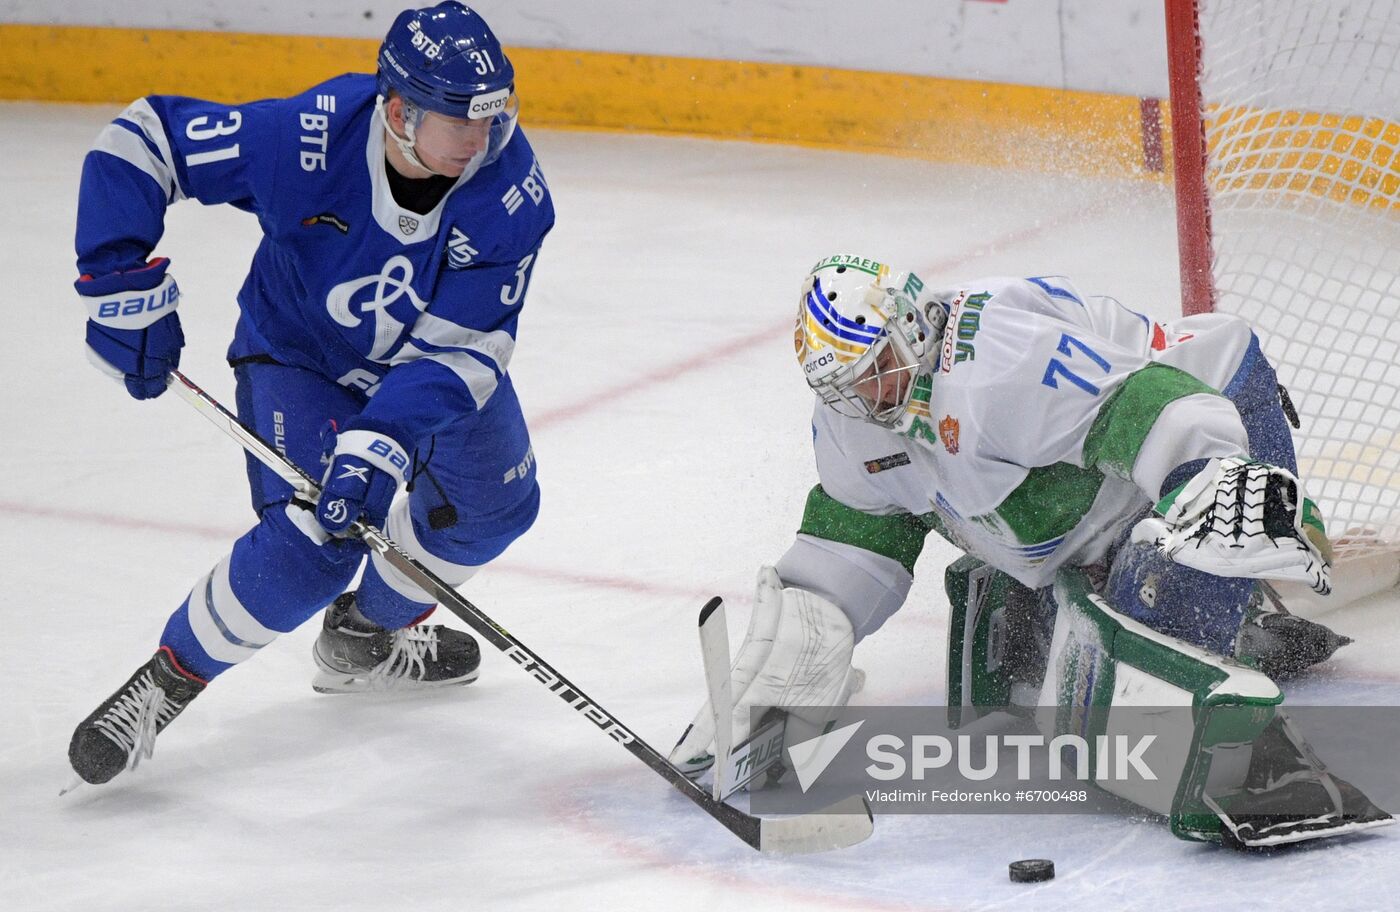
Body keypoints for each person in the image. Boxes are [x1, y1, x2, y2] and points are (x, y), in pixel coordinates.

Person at [68, 2, 553, 786]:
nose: (482, 140)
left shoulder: (510, 193)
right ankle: (167, 682)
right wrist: (117, 277)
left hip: (426, 370)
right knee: (315, 540)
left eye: (495, 118)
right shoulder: (308, 137)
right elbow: (145, 138)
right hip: (301, 356)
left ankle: (367, 635)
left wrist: (380, 441)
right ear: (398, 111)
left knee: (496, 511)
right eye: (459, 122)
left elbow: (465, 350)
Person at [669, 253, 1346, 778]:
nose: (870, 400)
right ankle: (1169, 600)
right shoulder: (855, 421)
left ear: (911, 324)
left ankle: (1223, 663)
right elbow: (862, 538)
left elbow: (1167, 410)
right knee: (1056, 668)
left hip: (1218, 406)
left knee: (1148, 675)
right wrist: (799, 642)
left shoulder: (999, 367)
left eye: (877, 370)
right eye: (848, 390)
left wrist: (1220, 483)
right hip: (1096, 485)